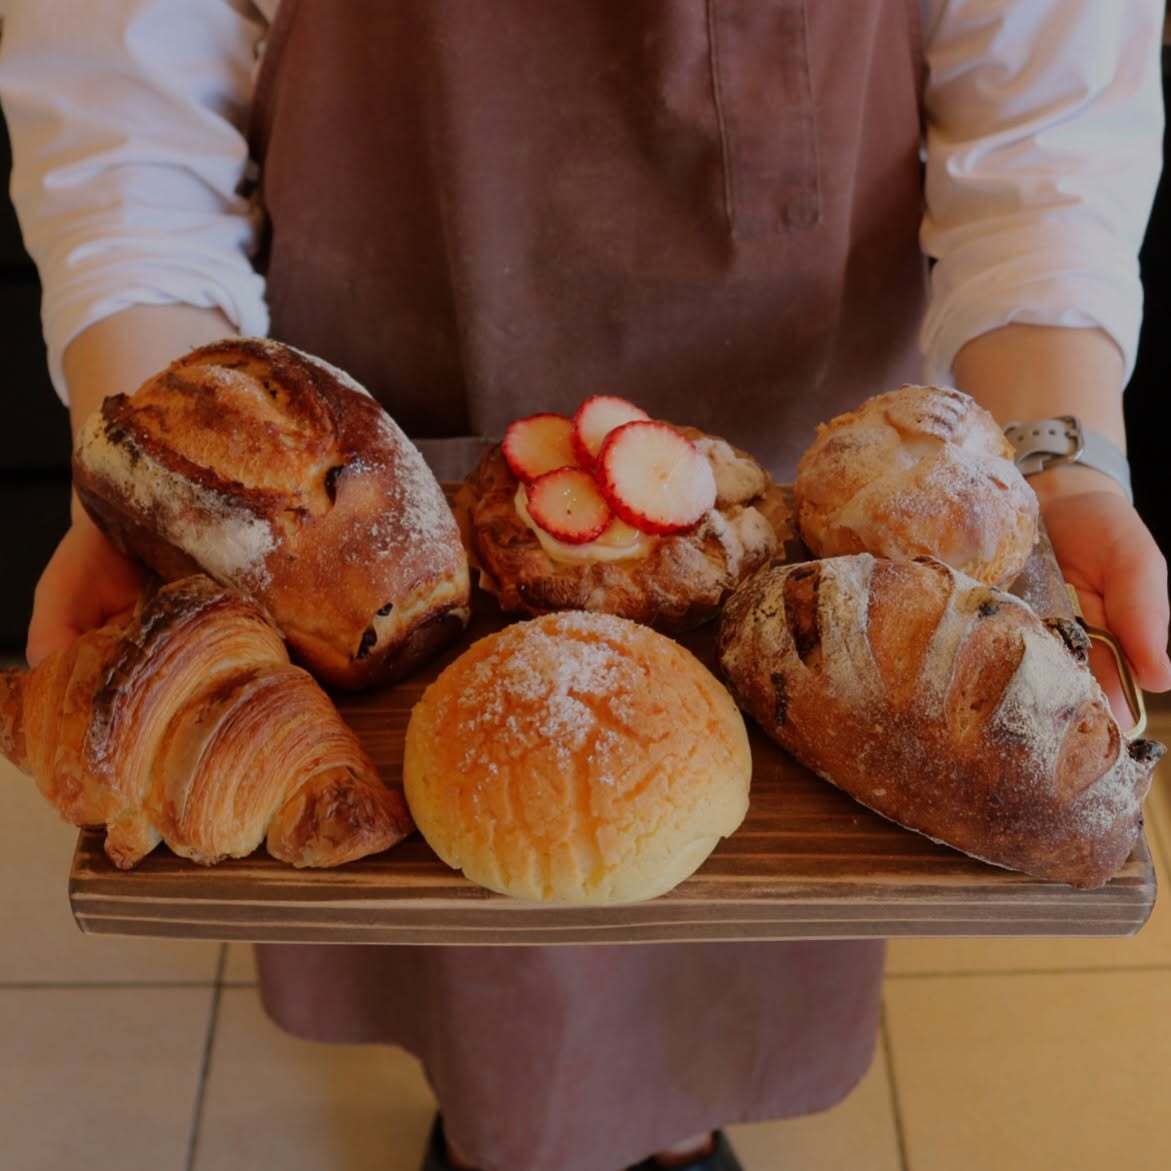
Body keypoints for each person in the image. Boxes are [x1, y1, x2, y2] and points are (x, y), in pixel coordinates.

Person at [2, 3, 1169, 1170]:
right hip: (374, 485)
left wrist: (1064, 461)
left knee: (748, 865)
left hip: (794, 479)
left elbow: (1044, 128)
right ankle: (494, 1128)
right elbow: (128, 116)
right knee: (476, 926)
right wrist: (154, 487)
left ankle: (676, 1130)